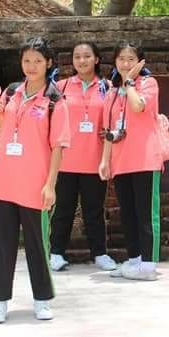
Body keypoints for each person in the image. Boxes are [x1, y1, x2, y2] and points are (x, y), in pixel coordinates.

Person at [0, 37, 70, 323]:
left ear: (48, 63)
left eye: (37, 61)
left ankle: (42, 299)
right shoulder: (11, 92)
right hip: (5, 179)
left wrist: (50, 184)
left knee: (37, 244)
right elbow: (2, 134)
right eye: (26, 60)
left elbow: (58, 146)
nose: (31, 66)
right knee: (2, 243)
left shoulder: (55, 100)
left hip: (35, 182)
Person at [98, 42, 165, 281]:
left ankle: (148, 266)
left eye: (131, 59)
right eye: (121, 59)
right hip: (121, 160)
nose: (125, 63)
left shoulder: (148, 83)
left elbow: (137, 107)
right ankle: (134, 259)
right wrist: (105, 161)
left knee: (146, 214)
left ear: (140, 62)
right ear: (115, 61)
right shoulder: (112, 92)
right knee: (127, 214)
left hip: (145, 159)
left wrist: (129, 83)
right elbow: (108, 129)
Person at [48, 41, 117, 272]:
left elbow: (116, 117)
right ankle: (56, 253)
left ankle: (100, 254)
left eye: (87, 56)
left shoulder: (107, 87)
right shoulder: (60, 87)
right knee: (63, 209)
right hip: (65, 160)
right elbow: (47, 118)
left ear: (96, 59)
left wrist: (110, 132)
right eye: (77, 56)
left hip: (95, 160)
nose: (82, 60)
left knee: (94, 211)